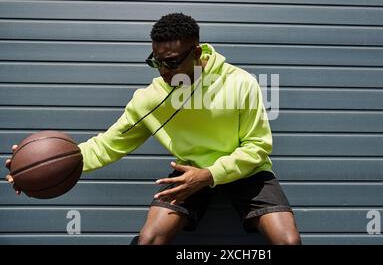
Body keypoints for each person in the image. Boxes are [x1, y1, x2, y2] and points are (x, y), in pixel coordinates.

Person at [5, 13, 301, 245]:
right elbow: (108, 144)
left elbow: (257, 146)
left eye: (171, 62)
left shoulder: (240, 82)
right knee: (149, 240)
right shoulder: (150, 98)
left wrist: (211, 175)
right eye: (156, 62)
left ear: (196, 52)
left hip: (245, 171)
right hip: (189, 170)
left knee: (288, 240)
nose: (164, 71)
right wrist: (37, 166)